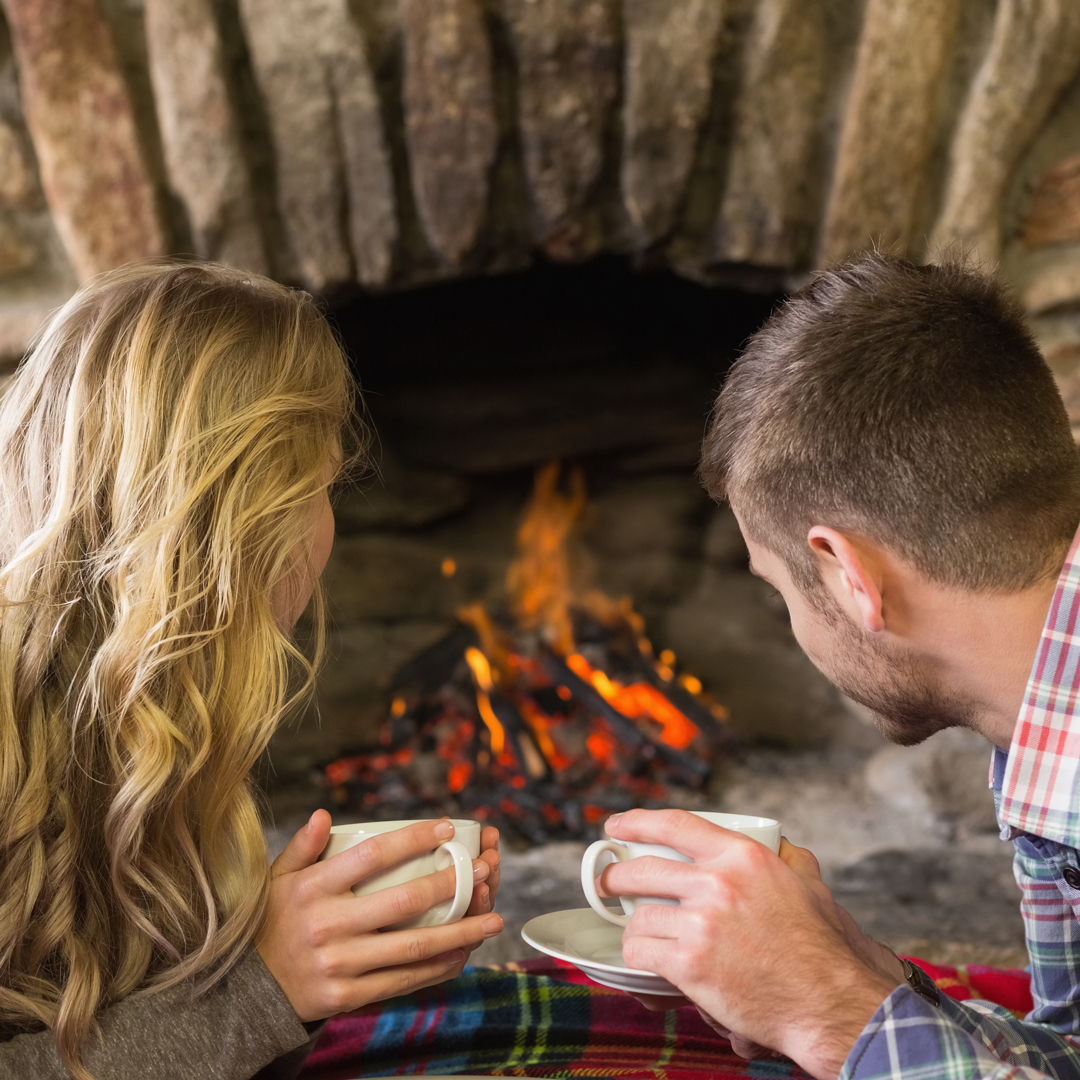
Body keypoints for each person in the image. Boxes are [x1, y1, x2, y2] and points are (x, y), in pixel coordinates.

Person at [0, 262, 503, 1080]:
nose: (327, 525)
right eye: (321, 483)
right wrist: (259, 992)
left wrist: (312, 958)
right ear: (236, 514)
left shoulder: (165, 730)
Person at [596, 253, 1080, 1079]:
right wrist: (864, 980)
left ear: (848, 576)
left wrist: (829, 1015)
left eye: (778, 588)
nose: (791, 626)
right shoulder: (1043, 729)